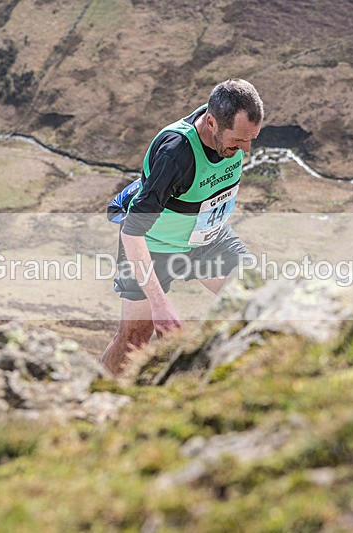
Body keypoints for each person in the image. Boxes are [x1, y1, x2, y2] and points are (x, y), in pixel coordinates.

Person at [100, 78, 264, 375]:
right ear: (211, 123)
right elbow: (132, 232)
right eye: (239, 141)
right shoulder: (175, 154)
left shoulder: (227, 121)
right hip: (154, 247)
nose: (247, 148)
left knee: (258, 302)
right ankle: (93, 392)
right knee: (134, 339)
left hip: (210, 239)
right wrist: (160, 306)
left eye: (252, 138)